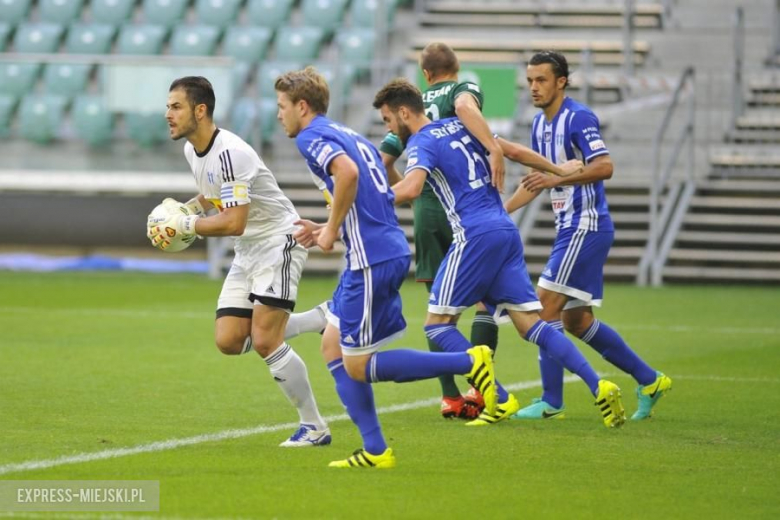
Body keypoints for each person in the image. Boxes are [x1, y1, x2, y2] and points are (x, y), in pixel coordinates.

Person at [373, 77, 627, 429]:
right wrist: (558, 170)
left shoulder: (420, 143)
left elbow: (413, 186)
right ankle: (599, 384)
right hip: (506, 231)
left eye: (388, 120)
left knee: (436, 326)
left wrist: (369, 201)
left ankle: (500, 396)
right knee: (530, 324)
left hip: (473, 235)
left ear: (404, 112)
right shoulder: (464, 126)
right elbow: (515, 152)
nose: (389, 128)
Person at [275, 67, 497, 469]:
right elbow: (371, 192)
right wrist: (329, 226)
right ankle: (375, 449)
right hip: (383, 249)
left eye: (282, 106)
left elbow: (349, 174)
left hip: (370, 260)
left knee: (357, 365)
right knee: (331, 344)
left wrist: (330, 233)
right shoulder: (349, 134)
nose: (279, 115)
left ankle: (468, 362)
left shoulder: (311, 137)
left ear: (301, 106)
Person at [379, 42, 575, 420]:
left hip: (428, 208)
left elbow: (385, 157)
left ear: (425, 75)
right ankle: (480, 391)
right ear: (457, 68)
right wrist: (499, 150)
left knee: (439, 307)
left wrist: (410, 190)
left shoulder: (413, 107)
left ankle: (449, 395)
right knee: (487, 300)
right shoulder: (460, 93)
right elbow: (479, 122)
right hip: (471, 207)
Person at [146, 76, 332, 448]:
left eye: (176, 106)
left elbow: (234, 220)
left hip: (279, 239)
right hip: (248, 249)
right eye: (168, 106)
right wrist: (193, 207)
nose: (168, 114)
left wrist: (186, 225)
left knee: (265, 341)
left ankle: (314, 427)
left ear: (200, 110)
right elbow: (214, 191)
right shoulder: (192, 151)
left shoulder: (232, 152)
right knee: (230, 340)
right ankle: (320, 319)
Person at [502, 51, 672, 421]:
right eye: (530, 80)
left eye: (541, 80)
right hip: (570, 228)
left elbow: (605, 166)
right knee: (576, 322)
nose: (534, 87)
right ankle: (650, 380)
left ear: (561, 81)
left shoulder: (578, 117)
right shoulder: (538, 126)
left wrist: (557, 178)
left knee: (541, 311)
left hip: (586, 226)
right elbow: (537, 183)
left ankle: (552, 401)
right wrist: (500, 212)